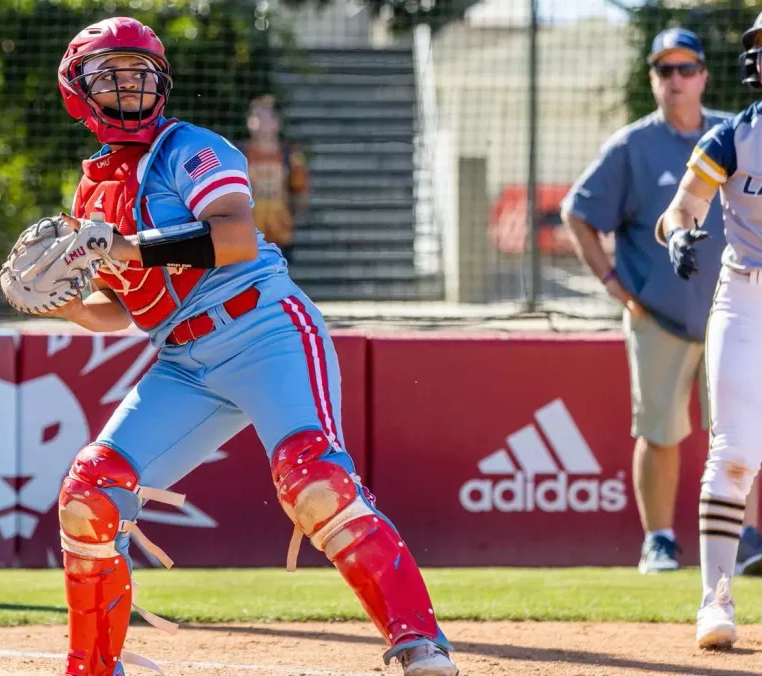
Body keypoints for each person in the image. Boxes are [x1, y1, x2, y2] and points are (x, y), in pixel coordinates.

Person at [41, 17, 458, 676]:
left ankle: (420, 645)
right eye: (110, 74)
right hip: (182, 358)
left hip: (266, 329)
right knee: (90, 493)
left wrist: (124, 247)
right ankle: (92, 668)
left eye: (139, 72)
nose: (129, 86)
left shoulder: (190, 148)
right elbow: (119, 311)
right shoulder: (89, 191)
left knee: (313, 480)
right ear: (77, 90)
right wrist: (59, 302)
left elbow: (234, 236)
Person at [561, 27, 762, 577]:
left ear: (703, 75)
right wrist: (614, 285)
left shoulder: (740, 132)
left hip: (739, 308)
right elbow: (577, 213)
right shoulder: (634, 146)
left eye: (685, 69)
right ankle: (659, 540)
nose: (675, 81)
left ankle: (746, 538)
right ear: (653, 80)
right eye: (664, 71)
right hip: (661, 315)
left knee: (737, 433)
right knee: (659, 431)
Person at [657, 6, 762, 650]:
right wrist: (678, 236)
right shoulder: (731, 138)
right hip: (747, 300)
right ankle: (715, 598)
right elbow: (681, 209)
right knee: (732, 455)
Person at [241, 94, 309, 264]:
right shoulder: (240, 155)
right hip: (248, 236)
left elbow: (300, 191)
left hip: (280, 234)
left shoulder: (290, 156)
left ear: (276, 122)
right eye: (256, 116)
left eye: (265, 117)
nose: (260, 122)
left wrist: (290, 216)